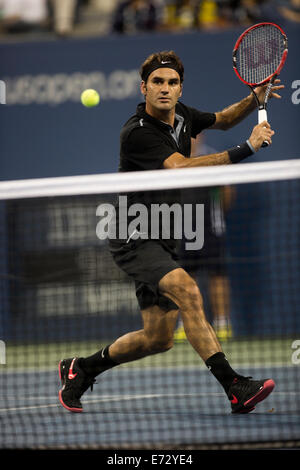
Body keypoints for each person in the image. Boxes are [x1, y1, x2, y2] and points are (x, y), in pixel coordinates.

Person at [58, 50, 283, 414]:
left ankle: (81, 368)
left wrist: (253, 99)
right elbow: (180, 168)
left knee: (157, 338)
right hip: (133, 234)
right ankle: (235, 386)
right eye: (158, 82)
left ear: (180, 89)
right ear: (144, 88)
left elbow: (223, 119)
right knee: (188, 290)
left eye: (172, 82)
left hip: (163, 236)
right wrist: (248, 148)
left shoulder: (183, 116)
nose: (165, 89)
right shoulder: (137, 133)